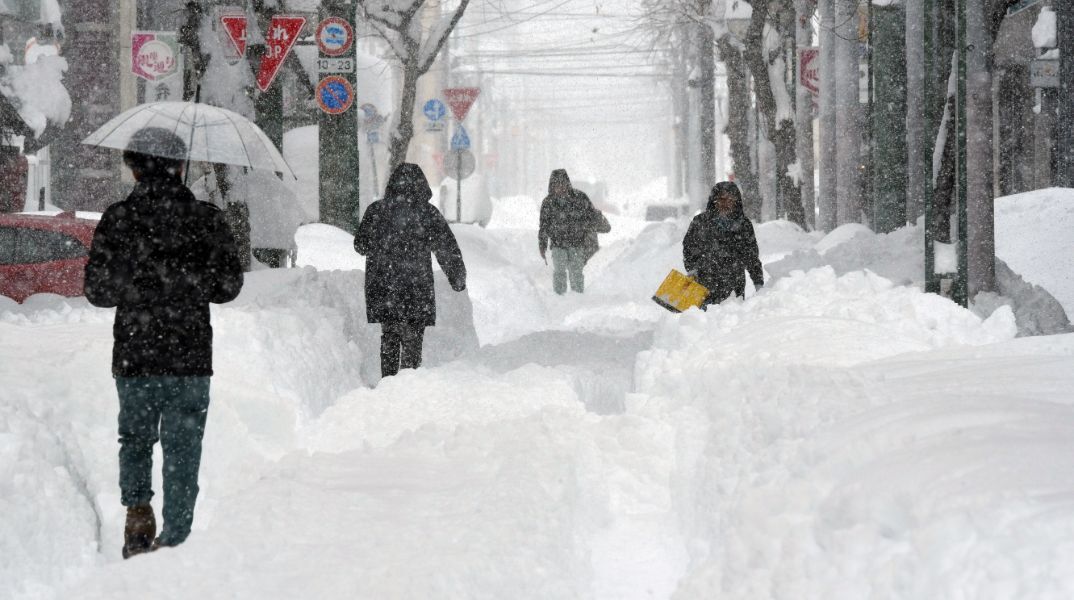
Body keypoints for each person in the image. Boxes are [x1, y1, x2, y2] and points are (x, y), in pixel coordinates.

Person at [84, 127, 244, 558]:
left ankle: (138, 512)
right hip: (190, 356)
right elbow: (228, 287)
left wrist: (138, 282)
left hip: (136, 354)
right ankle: (176, 538)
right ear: (179, 167)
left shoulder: (118, 218)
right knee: (183, 447)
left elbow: (97, 291)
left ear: (133, 167)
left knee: (134, 439)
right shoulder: (206, 219)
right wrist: (188, 278)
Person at [354, 163, 467, 378]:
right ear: (421, 185)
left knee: (389, 335)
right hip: (416, 287)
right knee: (413, 337)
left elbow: (360, 245)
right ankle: (409, 380)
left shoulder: (376, 210)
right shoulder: (427, 213)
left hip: (384, 286)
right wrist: (457, 277)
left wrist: (382, 244)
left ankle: (388, 380)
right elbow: (446, 247)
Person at [682, 181, 763, 306]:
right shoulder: (700, 222)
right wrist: (692, 269)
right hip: (704, 286)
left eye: (730, 200)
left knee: (730, 322)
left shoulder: (744, 225)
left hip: (734, 288)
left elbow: (751, 256)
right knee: (700, 322)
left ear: (736, 201)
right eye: (721, 199)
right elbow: (689, 248)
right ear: (714, 200)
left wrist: (758, 284)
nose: (725, 203)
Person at [538, 169, 610, 294]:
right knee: (559, 271)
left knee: (576, 271)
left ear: (567, 183)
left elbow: (592, 214)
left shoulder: (580, 198)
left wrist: (601, 223)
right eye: (557, 184)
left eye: (563, 184)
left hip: (577, 243)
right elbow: (544, 226)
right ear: (552, 186)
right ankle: (559, 296)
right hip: (557, 244)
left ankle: (577, 296)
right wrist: (542, 244)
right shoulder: (548, 203)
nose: (560, 187)